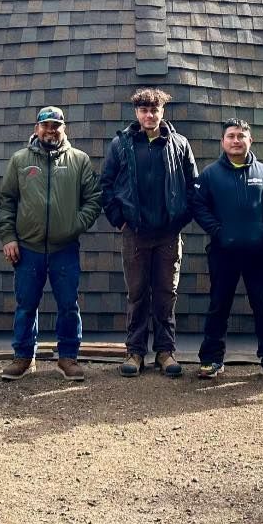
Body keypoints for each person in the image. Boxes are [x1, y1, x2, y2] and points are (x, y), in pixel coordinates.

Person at [0, 106, 103, 382]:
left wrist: (74, 225)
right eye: (46, 125)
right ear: (36, 129)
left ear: (64, 129)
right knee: (26, 304)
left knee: (68, 305)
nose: (51, 130)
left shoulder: (79, 160)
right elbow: (5, 201)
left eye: (56, 126)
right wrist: (8, 238)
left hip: (64, 249)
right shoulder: (20, 161)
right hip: (28, 248)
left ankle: (67, 357)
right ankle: (23, 357)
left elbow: (93, 199)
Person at [100, 88, 198, 378]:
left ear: (162, 112)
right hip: (135, 233)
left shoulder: (179, 144)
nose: (149, 115)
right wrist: (121, 221)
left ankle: (166, 353)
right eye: (144, 110)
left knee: (166, 294)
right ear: (136, 113)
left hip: (168, 234)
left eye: (154, 110)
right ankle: (135, 352)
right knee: (138, 294)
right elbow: (106, 185)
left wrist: (179, 220)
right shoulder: (121, 144)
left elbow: (193, 186)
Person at [191, 119, 263, 381]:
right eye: (231, 136)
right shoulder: (210, 175)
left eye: (241, 136)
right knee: (218, 306)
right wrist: (219, 232)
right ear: (223, 141)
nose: (236, 140)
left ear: (250, 140)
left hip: (258, 253)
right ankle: (211, 359)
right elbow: (199, 207)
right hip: (223, 252)